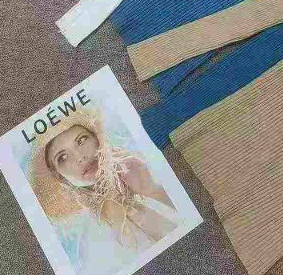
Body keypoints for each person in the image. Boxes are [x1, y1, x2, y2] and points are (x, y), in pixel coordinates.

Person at [29, 109, 180, 262]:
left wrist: (152, 189)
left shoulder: (139, 167)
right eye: (63, 157)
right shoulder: (88, 237)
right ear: (58, 175)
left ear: (97, 138)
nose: (80, 157)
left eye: (81, 140)